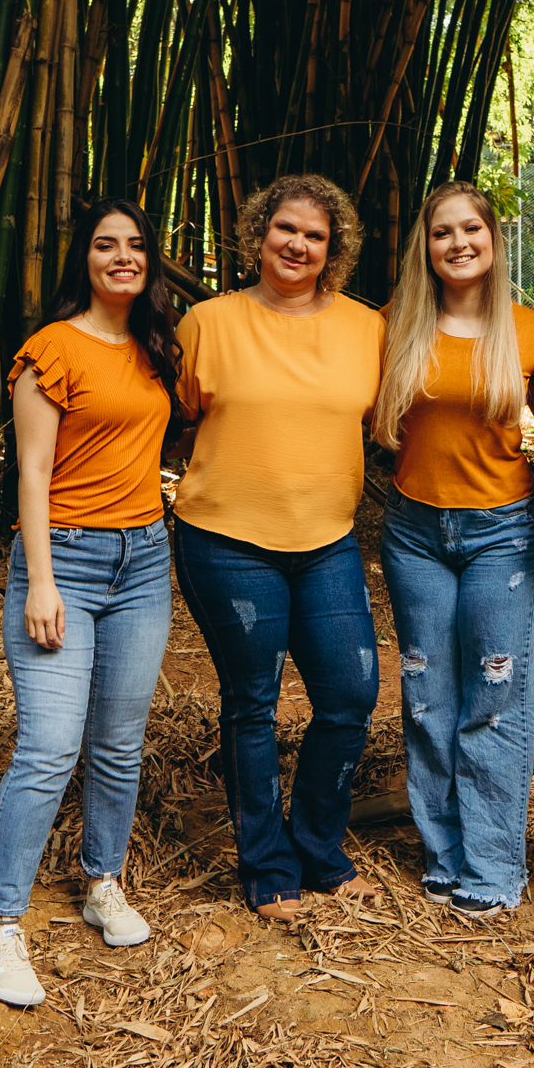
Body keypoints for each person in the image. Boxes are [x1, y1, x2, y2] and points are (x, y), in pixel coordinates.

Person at [0, 200, 182, 1008]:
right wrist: (43, 580)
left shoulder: (159, 347)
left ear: (149, 260)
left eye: (134, 245)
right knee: (50, 746)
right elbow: (32, 474)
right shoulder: (49, 351)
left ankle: (102, 882)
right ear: (82, 260)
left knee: (119, 742)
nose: (121, 257)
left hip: (145, 559)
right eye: (104, 245)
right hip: (69, 561)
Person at [172, 174, 384, 921]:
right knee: (252, 704)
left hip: (325, 540)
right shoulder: (207, 322)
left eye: (315, 235)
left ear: (335, 250)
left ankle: (320, 848)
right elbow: (180, 416)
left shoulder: (369, 328)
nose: (298, 244)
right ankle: (268, 867)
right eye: (285, 229)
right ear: (259, 235)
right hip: (227, 539)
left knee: (351, 696)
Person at [373, 182, 534, 920]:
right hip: (415, 530)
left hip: (501, 533)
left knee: (494, 697)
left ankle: (492, 865)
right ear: (427, 245)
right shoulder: (394, 324)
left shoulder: (530, 330)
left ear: (492, 237)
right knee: (426, 697)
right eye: (442, 232)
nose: (458, 243)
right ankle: (444, 855)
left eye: (470, 228)